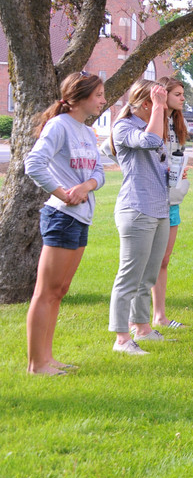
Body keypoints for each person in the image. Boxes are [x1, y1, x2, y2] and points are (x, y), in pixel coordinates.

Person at [24, 72, 106, 375]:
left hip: (81, 217)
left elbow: (99, 170)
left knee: (60, 290)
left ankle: (48, 357)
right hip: (61, 216)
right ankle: (37, 364)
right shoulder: (59, 126)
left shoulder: (86, 130)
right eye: (98, 95)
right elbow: (33, 163)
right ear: (80, 97)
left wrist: (86, 187)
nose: (103, 100)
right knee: (46, 292)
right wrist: (62, 193)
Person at [107, 80, 171, 354]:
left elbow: (159, 156)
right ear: (147, 103)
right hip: (136, 208)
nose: (166, 106)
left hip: (159, 208)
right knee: (129, 276)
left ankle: (142, 328)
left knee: (148, 275)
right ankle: (122, 338)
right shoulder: (124, 127)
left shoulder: (155, 123)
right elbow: (151, 141)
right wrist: (158, 108)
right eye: (161, 101)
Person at [150, 76, 191, 329]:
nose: (183, 98)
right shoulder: (152, 121)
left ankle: (160, 316)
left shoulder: (177, 123)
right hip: (152, 200)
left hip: (173, 199)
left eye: (183, 93)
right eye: (177, 94)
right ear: (163, 95)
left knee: (164, 260)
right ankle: (138, 318)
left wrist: (181, 170)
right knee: (149, 261)